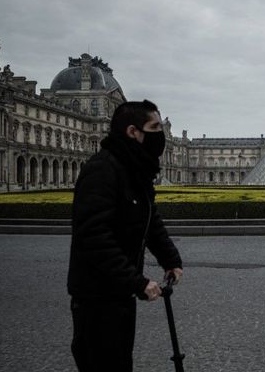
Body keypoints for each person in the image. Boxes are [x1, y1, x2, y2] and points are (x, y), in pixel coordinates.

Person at [67, 100, 183, 372]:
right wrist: (137, 281)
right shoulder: (102, 169)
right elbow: (94, 237)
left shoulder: (135, 169)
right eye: (155, 128)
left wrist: (171, 259)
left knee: (120, 363)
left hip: (119, 293)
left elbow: (149, 219)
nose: (160, 136)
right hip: (96, 298)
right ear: (133, 131)